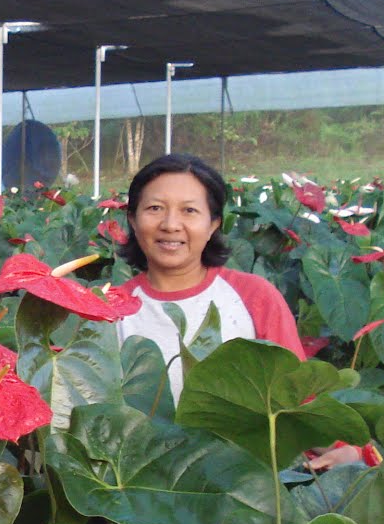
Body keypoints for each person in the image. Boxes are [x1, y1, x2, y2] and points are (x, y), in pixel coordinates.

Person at [113, 152, 302, 400]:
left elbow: (299, 398)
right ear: (133, 220)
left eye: (189, 210)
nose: (170, 224)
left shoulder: (255, 296)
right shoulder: (111, 309)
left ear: (213, 224)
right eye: (155, 208)